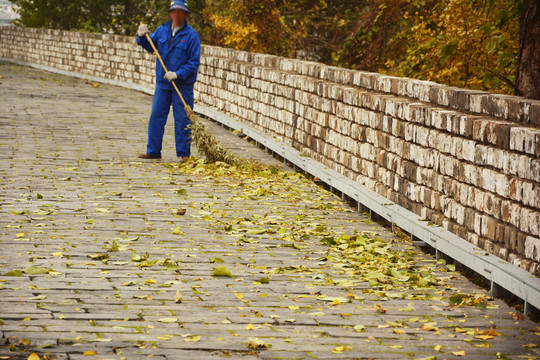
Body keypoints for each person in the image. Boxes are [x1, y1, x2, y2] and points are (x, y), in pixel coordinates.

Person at [136, 0, 201, 162]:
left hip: (182, 85)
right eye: (174, 11)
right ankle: (153, 151)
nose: (177, 14)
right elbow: (152, 46)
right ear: (171, 13)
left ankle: (184, 154)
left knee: (183, 119)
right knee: (156, 117)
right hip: (163, 83)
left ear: (186, 14)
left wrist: (177, 74)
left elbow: (193, 63)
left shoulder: (192, 36)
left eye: (181, 11)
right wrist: (141, 36)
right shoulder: (162, 30)